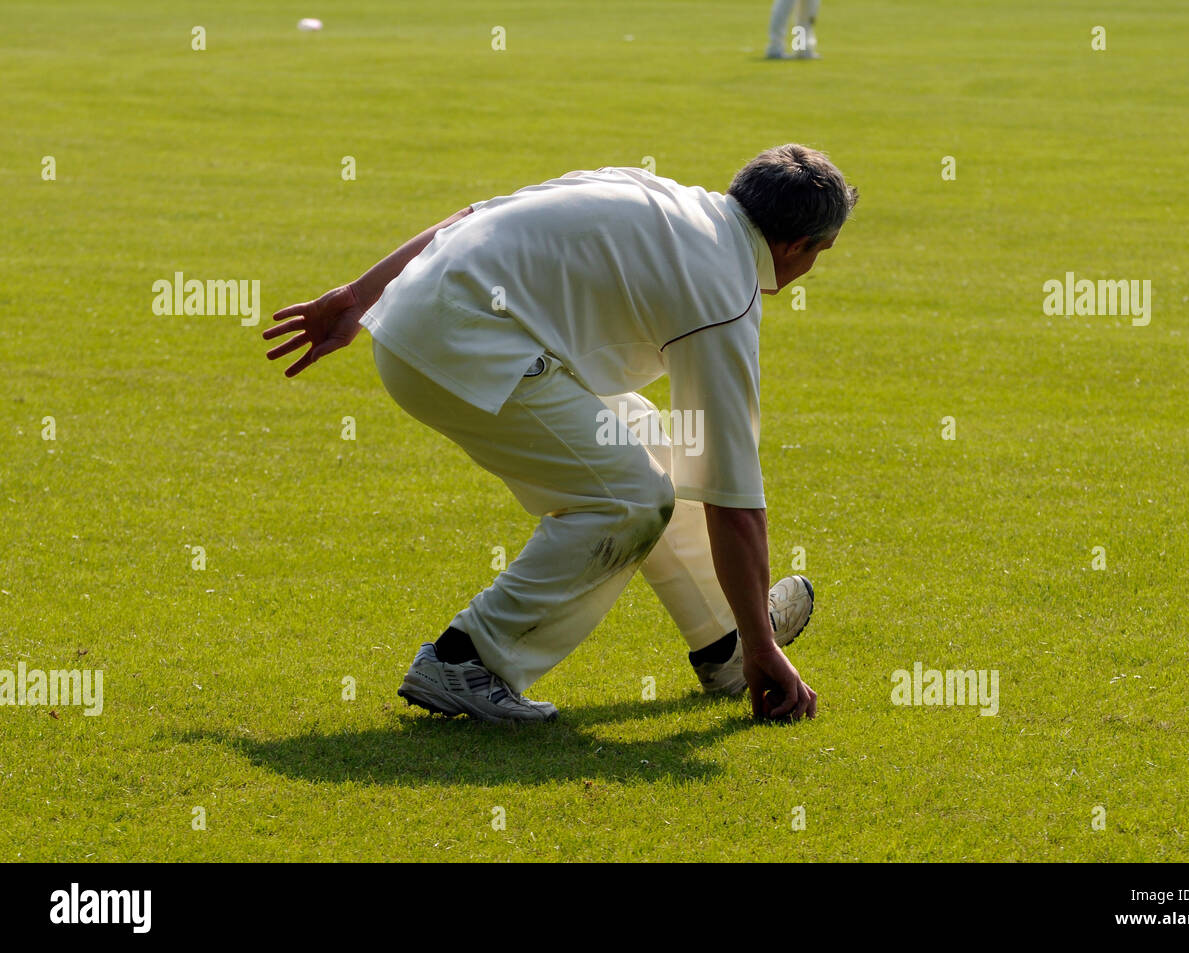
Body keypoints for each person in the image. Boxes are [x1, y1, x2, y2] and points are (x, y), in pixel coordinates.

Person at [263, 144, 857, 724]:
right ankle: (469, 660)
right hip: (466, 346)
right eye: (820, 254)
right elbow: (734, 502)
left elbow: (474, 215)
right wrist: (767, 648)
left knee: (653, 444)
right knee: (631, 497)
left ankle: (722, 643)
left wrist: (360, 295)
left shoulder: (651, 189)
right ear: (796, 245)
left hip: (417, 318)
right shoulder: (725, 294)